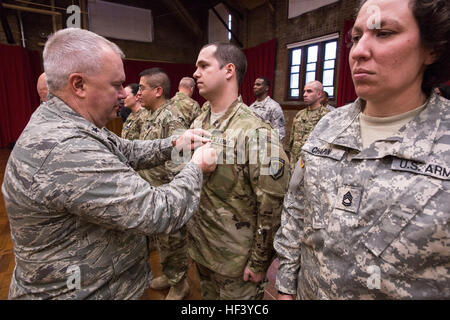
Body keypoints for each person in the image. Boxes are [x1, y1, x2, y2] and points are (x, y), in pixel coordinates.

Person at [1, 28, 217, 300]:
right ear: (78, 85)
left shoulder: (70, 123)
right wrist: (196, 167)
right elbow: (157, 212)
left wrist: (174, 143)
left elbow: (126, 149)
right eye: (115, 85)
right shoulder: (67, 149)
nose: (124, 94)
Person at [275, 0, 450, 300]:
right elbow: (296, 209)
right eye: (356, 38)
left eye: (383, 34)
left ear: (431, 49)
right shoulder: (327, 127)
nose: (358, 51)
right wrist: (285, 286)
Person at [189, 42, 290, 300]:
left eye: (203, 66)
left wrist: (259, 262)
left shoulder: (256, 133)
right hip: (202, 251)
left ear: (228, 70)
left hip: (236, 263)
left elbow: (272, 205)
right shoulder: (198, 122)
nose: (195, 73)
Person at [136, 67, 191, 300]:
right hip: (152, 192)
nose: (138, 92)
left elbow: (180, 163)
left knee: (173, 241)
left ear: (157, 91)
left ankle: (180, 283)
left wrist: (171, 199)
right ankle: (170, 276)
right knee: (162, 241)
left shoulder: (173, 117)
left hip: (167, 195)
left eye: (141, 88)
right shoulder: (149, 115)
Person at [288, 80, 329, 172]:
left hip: (313, 167)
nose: (304, 94)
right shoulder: (300, 114)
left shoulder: (327, 116)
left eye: (309, 91)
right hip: (294, 164)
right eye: (304, 91)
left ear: (319, 94)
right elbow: (292, 140)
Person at [249, 77, 286, 142]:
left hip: (266, 147)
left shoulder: (274, 107)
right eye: (254, 84)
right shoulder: (251, 107)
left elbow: (280, 133)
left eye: (258, 85)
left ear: (266, 88)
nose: (254, 87)